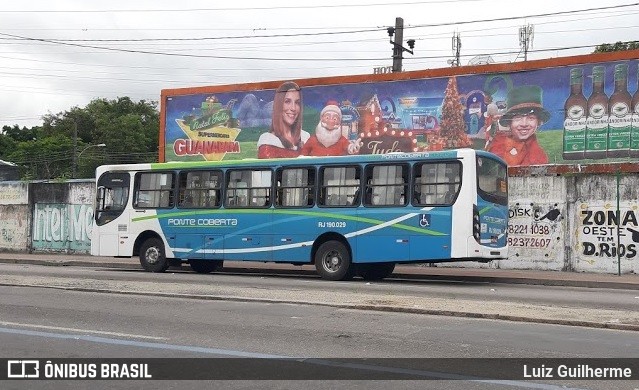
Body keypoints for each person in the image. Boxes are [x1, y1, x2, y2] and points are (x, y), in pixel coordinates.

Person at [487, 85, 550, 166]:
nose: (524, 124)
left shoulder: (540, 156)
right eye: (518, 118)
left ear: (538, 122)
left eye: (531, 118)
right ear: (509, 122)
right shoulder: (497, 146)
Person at [257, 81, 310, 159]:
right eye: (287, 101)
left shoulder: (305, 137)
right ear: (278, 104)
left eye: (297, 103)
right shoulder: (268, 140)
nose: (293, 108)